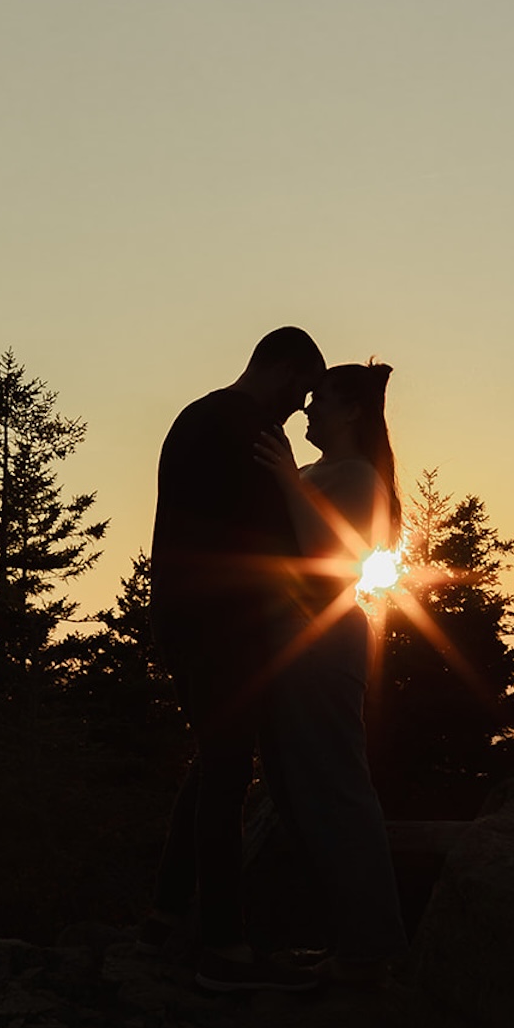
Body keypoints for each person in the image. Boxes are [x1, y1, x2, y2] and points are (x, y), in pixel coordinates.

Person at [145, 325, 327, 991]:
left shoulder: (193, 416)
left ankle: (166, 910)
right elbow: (282, 541)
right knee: (226, 770)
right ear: (280, 369)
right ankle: (223, 945)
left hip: (179, 611)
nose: (298, 409)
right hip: (226, 623)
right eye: (299, 391)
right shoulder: (254, 431)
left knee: (212, 758)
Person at [253, 360, 408, 984]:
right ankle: (349, 942)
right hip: (288, 644)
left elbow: (330, 558)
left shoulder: (360, 478)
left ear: (350, 412)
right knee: (296, 796)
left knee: (338, 793)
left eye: (318, 401)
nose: (307, 411)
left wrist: (289, 485)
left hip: (325, 644)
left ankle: (375, 948)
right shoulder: (319, 471)